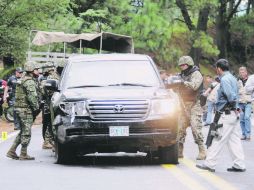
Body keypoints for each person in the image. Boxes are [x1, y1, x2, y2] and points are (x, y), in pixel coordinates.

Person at [196, 59, 246, 172]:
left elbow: (231, 96)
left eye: (216, 68)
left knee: (217, 138)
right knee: (234, 140)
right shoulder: (232, 78)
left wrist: (233, 106)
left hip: (226, 113)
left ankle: (210, 164)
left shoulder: (225, 79)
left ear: (219, 68)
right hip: (232, 114)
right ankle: (239, 164)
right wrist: (236, 108)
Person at [6, 61, 40, 160]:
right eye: (36, 69)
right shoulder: (29, 81)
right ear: (31, 70)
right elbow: (32, 97)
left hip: (19, 108)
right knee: (27, 132)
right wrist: (36, 108)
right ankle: (23, 153)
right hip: (25, 109)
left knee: (22, 131)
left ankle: (11, 151)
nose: (38, 71)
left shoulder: (22, 79)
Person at [177, 55, 206, 160]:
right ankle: (179, 151)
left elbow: (194, 86)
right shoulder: (181, 75)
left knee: (195, 127)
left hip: (195, 104)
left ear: (189, 64)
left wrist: (183, 82)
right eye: (180, 65)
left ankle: (202, 150)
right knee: (179, 128)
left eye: (184, 65)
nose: (182, 67)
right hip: (183, 104)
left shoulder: (196, 74)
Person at [40, 62, 59, 149]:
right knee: (51, 122)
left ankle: (49, 141)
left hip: (51, 101)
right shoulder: (53, 76)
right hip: (52, 101)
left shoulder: (51, 76)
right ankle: (47, 141)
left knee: (51, 122)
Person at [238, 66, 252, 140]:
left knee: (247, 117)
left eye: (243, 72)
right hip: (239, 103)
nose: (242, 74)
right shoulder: (237, 81)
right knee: (241, 119)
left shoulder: (251, 80)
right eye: (240, 72)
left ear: (246, 72)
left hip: (248, 102)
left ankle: (248, 134)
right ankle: (243, 134)